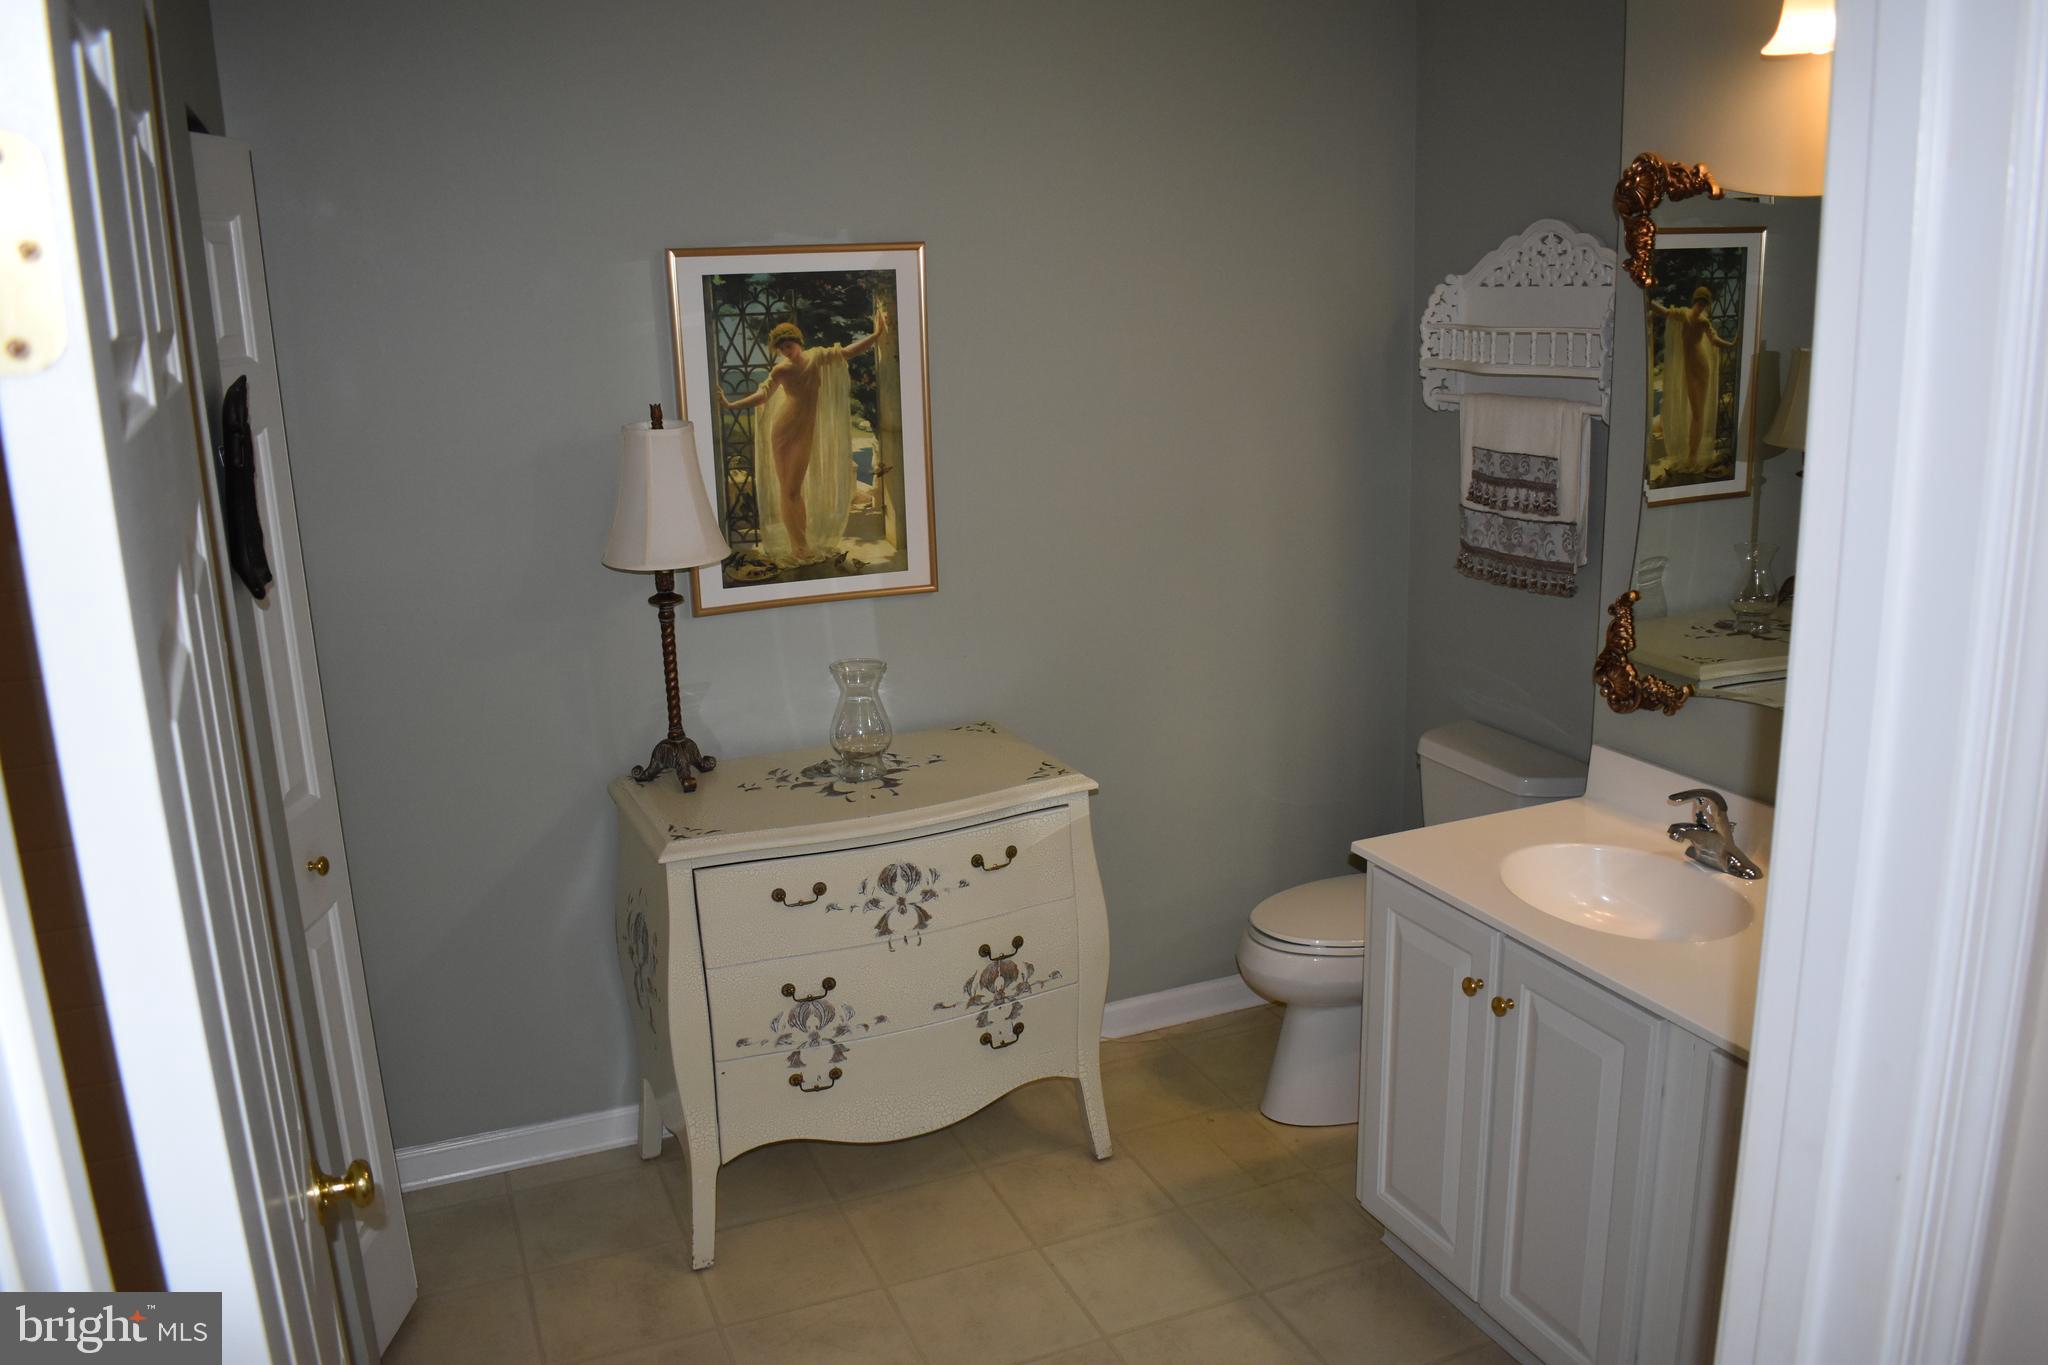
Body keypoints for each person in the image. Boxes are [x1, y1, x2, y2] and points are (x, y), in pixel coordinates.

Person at [718, 305, 889, 566]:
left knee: (793, 491)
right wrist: (731, 405)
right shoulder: (781, 371)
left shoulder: (817, 357)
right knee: (790, 491)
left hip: (803, 432)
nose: (787, 351)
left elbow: (847, 352)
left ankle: (802, 543)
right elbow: (763, 395)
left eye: (790, 345)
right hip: (783, 430)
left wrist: (876, 336)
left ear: (799, 342)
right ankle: (799, 545)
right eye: (782, 348)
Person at [1649, 284, 1738, 473]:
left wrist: (1731, 343)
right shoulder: (1683, 315)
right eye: (1699, 302)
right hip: (1690, 368)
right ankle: (1690, 454)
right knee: (1694, 412)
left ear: (1706, 305)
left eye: (1704, 304)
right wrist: (1645, 301)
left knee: (1698, 414)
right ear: (1694, 302)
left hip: (1701, 367)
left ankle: (1692, 455)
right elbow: (1664, 312)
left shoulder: (1704, 323)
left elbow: (1714, 340)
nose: (1701, 306)